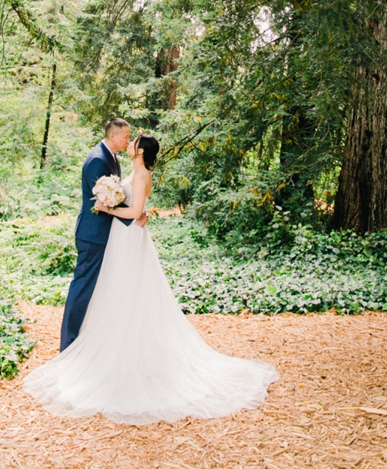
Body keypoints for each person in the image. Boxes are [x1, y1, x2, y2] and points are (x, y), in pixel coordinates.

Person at [24, 134, 278, 423]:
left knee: (128, 292)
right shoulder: (134, 169)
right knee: (116, 292)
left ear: (141, 151)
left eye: (134, 141)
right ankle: (113, 353)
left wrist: (107, 207)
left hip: (129, 238)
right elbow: (136, 207)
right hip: (121, 237)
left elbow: (133, 211)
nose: (130, 142)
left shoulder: (142, 173)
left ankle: (129, 356)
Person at [59, 117, 135, 350]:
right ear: (113, 136)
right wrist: (133, 214)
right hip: (92, 235)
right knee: (82, 287)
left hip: (103, 234)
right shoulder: (97, 160)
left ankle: (87, 338)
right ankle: (68, 343)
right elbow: (103, 201)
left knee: (95, 287)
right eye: (126, 137)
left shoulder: (111, 157)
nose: (127, 141)